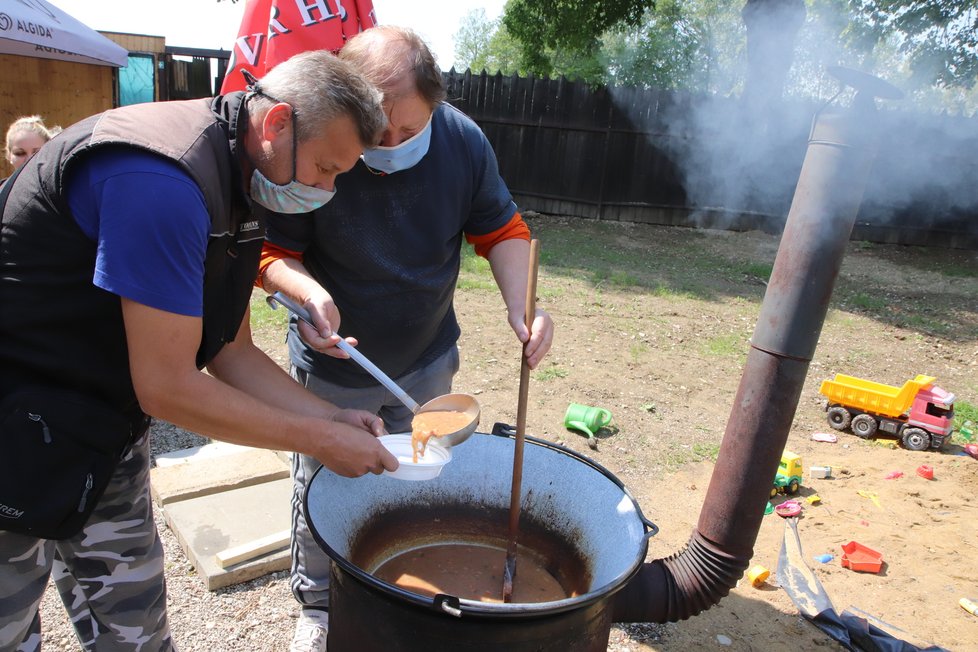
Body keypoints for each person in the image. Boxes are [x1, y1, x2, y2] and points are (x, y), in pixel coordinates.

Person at [0, 50, 397, 651]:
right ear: (277, 124)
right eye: (324, 167)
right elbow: (167, 387)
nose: (327, 189)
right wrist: (318, 442)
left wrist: (332, 416)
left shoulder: (243, 183)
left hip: (100, 430)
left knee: (134, 626)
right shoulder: (162, 182)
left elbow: (230, 351)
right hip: (14, 423)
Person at [257, 26, 555, 651]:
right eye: (378, 131)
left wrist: (523, 307)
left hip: (427, 357)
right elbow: (273, 252)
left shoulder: (463, 142)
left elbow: (502, 231)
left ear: (435, 103)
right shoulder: (324, 141)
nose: (389, 144)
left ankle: (406, 585)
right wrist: (308, 295)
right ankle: (317, 602)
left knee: (423, 477)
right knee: (323, 483)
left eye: (407, 130)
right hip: (335, 360)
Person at [2, 115, 56, 180]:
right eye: (20, 153)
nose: (29, 159)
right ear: (9, 156)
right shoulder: (3, 189)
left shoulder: (63, 187)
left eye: (37, 153)